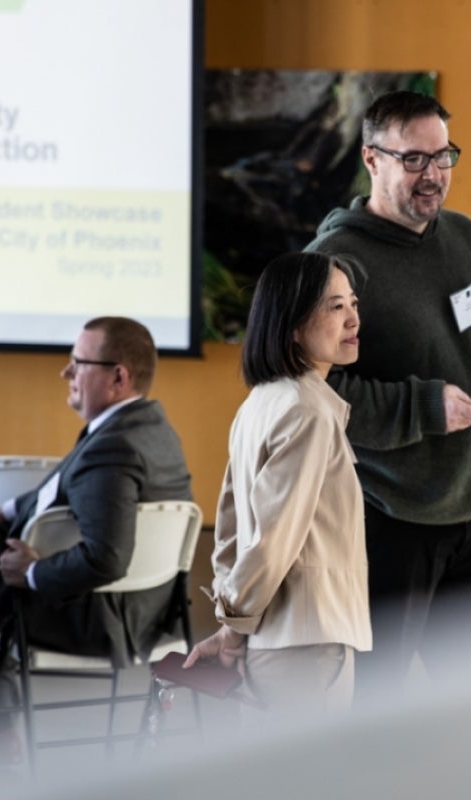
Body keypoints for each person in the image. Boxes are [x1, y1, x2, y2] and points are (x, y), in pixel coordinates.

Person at [305, 91, 471, 701]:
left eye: (444, 156)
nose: (434, 175)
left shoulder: (468, 239)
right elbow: (316, 389)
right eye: (415, 159)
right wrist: (425, 407)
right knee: (383, 708)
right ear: (372, 159)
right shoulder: (335, 265)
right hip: (387, 521)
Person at [0, 316, 193, 733]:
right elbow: (63, 481)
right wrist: (8, 512)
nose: (66, 372)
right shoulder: (144, 424)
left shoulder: (115, 448)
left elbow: (107, 559)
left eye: (78, 362)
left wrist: (30, 573)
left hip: (103, 619)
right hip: (148, 607)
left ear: (118, 376)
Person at [184, 252, 371, 719]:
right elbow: (272, 541)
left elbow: (229, 531)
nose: (353, 318)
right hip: (307, 646)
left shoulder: (260, 403)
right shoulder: (306, 411)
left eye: (352, 303)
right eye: (334, 307)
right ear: (291, 325)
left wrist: (233, 624)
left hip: (276, 643)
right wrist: (235, 624)